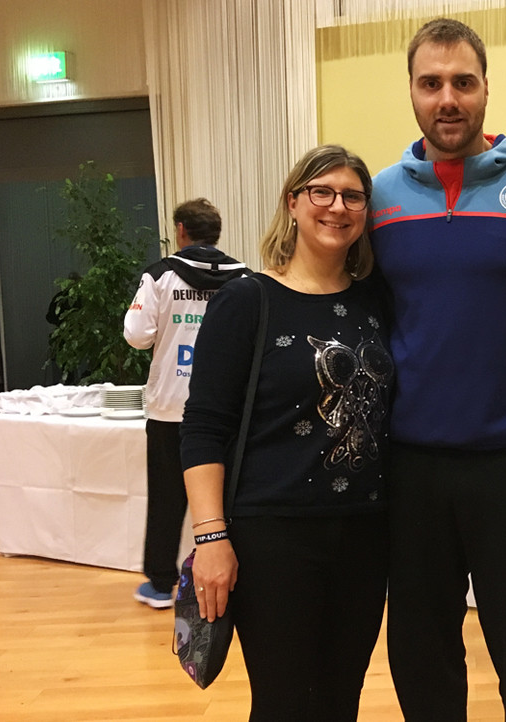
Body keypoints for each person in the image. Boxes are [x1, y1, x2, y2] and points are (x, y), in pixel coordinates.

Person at [368, 17, 506, 721]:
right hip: (410, 467)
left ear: (487, 87)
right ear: (411, 91)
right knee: (421, 647)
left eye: (463, 81)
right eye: (431, 83)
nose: (448, 98)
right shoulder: (375, 200)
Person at [179, 145, 394, 720]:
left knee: (339, 696)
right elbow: (203, 426)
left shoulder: (376, 300)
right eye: (321, 192)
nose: (337, 207)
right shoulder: (247, 301)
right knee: (282, 700)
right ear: (293, 203)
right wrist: (209, 539)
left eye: (352, 196)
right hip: (272, 535)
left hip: (365, 534)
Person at [125, 198, 246, 608]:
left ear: (180, 230)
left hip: (170, 406)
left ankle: (161, 584)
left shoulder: (160, 275)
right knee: (229, 497)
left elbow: (136, 335)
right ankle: (236, 576)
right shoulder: (244, 277)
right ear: (217, 232)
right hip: (227, 407)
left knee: (166, 497)